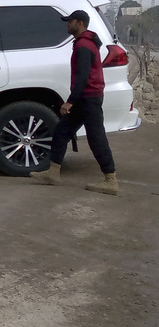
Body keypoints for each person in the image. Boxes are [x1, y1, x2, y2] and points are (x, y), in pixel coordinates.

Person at [30, 10, 119, 195]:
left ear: (80, 23)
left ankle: (110, 180)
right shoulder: (84, 42)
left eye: (70, 21)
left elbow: (82, 77)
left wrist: (70, 101)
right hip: (85, 98)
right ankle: (53, 173)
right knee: (61, 131)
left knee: (96, 138)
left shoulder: (84, 45)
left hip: (89, 98)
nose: (67, 24)